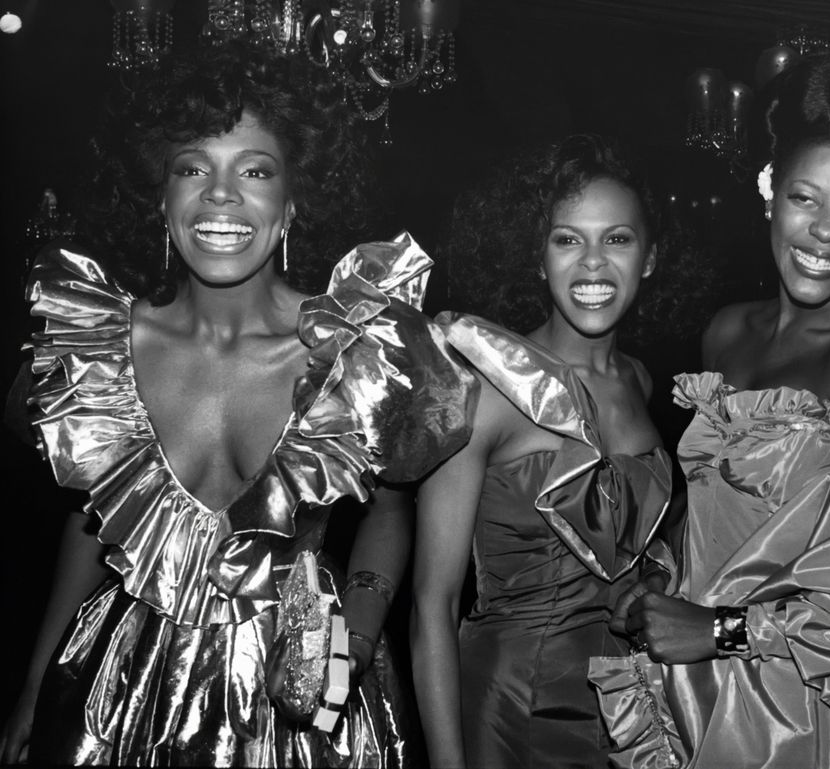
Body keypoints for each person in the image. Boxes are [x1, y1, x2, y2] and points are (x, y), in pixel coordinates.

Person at [0, 41, 475, 766]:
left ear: (292, 202)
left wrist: (355, 634)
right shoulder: (97, 350)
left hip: (304, 694)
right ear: (160, 197)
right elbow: (93, 525)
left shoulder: (354, 349)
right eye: (193, 168)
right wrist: (35, 684)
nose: (221, 194)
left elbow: (391, 506)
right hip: (122, 692)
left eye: (255, 171)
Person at [590, 53, 830, 769]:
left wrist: (722, 632)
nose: (828, 230)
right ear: (770, 194)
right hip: (697, 693)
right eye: (807, 198)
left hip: (806, 719)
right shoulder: (725, 332)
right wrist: (661, 579)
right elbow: (715, 515)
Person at [410, 134, 710, 769]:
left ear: (650, 258)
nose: (593, 264)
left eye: (617, 239)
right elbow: (432, 603)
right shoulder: (483, 386)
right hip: (510, 710)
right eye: (568, 239)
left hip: (626, 711)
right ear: (538, 259)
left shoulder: (639, 381)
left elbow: (646, 536)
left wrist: (650, 582)